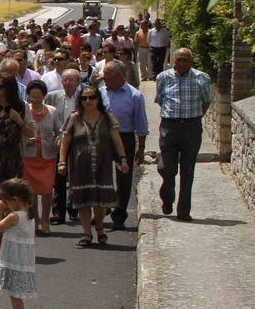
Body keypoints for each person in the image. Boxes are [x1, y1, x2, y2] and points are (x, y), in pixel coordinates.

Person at [58, 83, 128, 247]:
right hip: (79, 166)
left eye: (92, 97)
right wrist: (62, 162)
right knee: (83, 200)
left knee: (101, 200)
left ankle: (100, 228)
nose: (88, 101)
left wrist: (123, 159)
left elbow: (117, 140)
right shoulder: (74, 118)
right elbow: (65, 142)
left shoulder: (107, 117)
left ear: (98, 99)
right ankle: (87, 233)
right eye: (84, 98)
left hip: (103, 164)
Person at [154, 47, 211, 222]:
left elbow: (206, 101)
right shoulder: (163, 77)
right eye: (179, 59)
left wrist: (194, 117)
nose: (181, 63)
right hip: (169, 126)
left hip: (191, 127)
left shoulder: (202, 78)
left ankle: (184, 210)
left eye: (185, 60)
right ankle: (167, 196)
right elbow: (160, 100)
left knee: (188, 171)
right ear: (173, 61)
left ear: (191, 62)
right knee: (167, 168)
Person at [0, 71, 33, 250]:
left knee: (12, 199)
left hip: (12, 159)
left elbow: (31, 133)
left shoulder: (21, 106)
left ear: (8, 88)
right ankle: (1, 238)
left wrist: (19, 121)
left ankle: (11, 238)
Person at [100, 60, 148, 230]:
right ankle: (102, 208)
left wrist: (141, 148)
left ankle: (119, 214)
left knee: (124, 178)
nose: (103, 78)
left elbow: (141, 124)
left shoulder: (134, 96)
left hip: (125, 137)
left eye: (107, 75)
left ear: (119, 76)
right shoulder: (100, 93)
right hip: (103, 138)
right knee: (101, 174)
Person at [0, 178, 37, 309]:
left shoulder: (15, 216)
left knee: (15, 295)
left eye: (6, 201)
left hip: (15, 260)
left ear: (14, 200)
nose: (4, 204)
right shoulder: (28, 213)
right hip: (21, 260)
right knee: (14, 294)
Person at [22, 79, 64, 235]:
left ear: (44, 96)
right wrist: (26, 139)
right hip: (29, 156)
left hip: (48, 155)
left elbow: (60, 130)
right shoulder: (25, 110)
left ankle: (45, 219)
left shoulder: (52, 111)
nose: (35, 100)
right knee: (31, 191)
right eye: (33, 97)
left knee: (47, 190)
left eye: (38, 97)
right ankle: (35, 219)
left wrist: (59, 139)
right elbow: (21, 130)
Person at [45, 67, 82, 225]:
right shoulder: (53, 97)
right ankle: (58, 212)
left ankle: (73, 208)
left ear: (78, 82)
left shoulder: (83, 97)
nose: (68, 83)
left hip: (78, 140)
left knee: (76, 176)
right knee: (59, 178)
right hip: (59, 140)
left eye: (71, 80)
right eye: (65, 80)